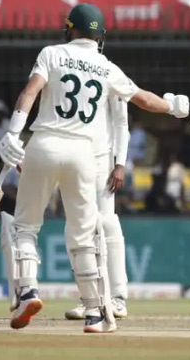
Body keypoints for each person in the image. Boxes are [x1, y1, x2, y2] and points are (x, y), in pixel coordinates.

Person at [0, 3, 189, 333]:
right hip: (83, 154)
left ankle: (28, 291)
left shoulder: (52, 53)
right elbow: (144, 99)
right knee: (84, 235)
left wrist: (13, 133)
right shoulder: (106, 66)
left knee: (25, 227)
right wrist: (175, 106)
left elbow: (29, 92)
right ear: (100, 36)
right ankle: (95, 313)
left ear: (70, 29)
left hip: (44, 144)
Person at [65, 71, 132, 321]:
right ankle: (90, 298)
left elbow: (121, 123)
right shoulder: (68, 66)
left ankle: (117, 298)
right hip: (73, 157)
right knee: (75, 225)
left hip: (102, 160)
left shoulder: (109, 70)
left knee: (106, 222)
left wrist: (120, 163)